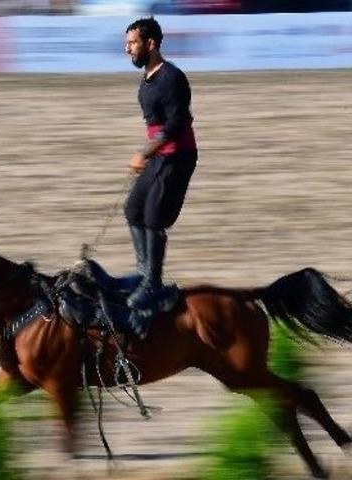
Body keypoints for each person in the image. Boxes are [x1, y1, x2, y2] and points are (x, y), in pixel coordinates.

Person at [122, 17, 197, 338]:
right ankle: (144, 273)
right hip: (158, 154)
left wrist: (146, 152)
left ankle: (153, 284)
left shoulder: (172, 78)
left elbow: (177, 124)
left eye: (133, 43)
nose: (127, 49)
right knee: (132, 210)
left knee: (154, 218)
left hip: (177, 155)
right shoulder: (146, 80)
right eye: (127, 44)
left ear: (150, 43)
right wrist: (149, 152)